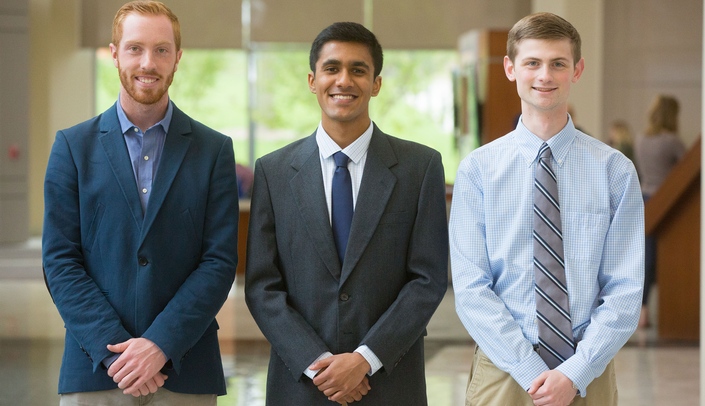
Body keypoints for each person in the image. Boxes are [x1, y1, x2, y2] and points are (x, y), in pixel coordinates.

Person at [42, 1, 239, 404]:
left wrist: (161, 345)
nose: (148, 62)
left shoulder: (215, 150)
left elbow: (219, 262)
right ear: (114, 53)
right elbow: (60, 260)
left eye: (161, 50)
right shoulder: (72, 148)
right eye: (135, 48)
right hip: (96, 367)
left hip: (185, 367)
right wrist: (118, 351)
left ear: (178, 59)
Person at [245, 21, 448, 405]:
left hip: (389, 382)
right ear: (312, 80)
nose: (344, 80)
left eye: (359, 70)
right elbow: (262, 286)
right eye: (332, 68)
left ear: (376, 83)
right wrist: (318, 362)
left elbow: (428, 279)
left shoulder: (419, 168)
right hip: (301, 385)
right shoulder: (273, 171)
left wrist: (364, 359)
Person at [449, 12, 643, 406]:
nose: (545, 75)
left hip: (588, 370)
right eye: (532, 63)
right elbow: (471, 287)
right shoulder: (478, 170)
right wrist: (531, 370)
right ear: (510, 68)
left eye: (558, 63)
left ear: (578, 70)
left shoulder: (614, 170)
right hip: (504, 369)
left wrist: (574, 373)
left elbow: (625, 289)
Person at [634, 94, 686, 328]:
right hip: (667, 202)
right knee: (666, 258)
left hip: (645, 199)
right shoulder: (672, 140)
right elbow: (686, 170)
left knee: (647, 257)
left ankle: (642, 310)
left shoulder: (641, 138)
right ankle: (670, 311)